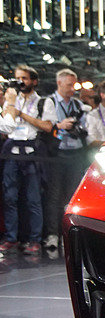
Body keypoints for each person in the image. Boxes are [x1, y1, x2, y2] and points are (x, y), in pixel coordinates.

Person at [0, 65, 57, 255]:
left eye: (24, 78)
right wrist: (10, 106)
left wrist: (22, 114)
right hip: (11, 151)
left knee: (33, 198)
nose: (20, 82)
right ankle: (11, 238)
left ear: (34, 81)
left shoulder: (44, 102)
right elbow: (5, 125)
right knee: (10, 197)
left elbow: (47, 127)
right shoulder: (11, 100)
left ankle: (34, 239)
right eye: (17, 78)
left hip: (32, 151)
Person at [41, 69, 91, 251]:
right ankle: (52, 234)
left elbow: (85, 127)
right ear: (59, 83)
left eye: (74, 85)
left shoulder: (78, 104)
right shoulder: (50, 102)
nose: (72, 88)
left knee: (72, 197)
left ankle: (69, 235)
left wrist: (78, 127)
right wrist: (61, 126)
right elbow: (47, 125)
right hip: (57, 153)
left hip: (76, 152)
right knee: (54, 195)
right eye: (69, 85)